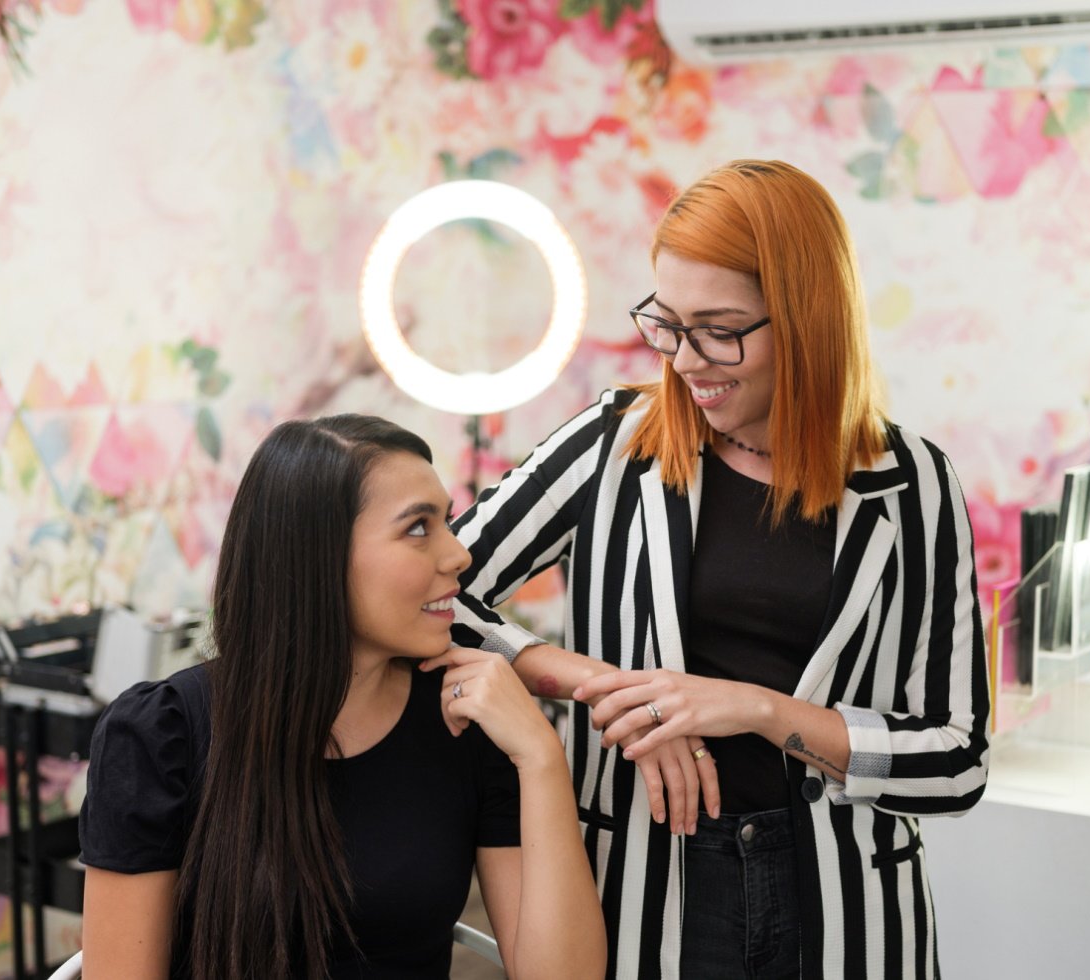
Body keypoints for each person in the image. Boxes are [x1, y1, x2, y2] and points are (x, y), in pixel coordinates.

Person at [438, 160, 988, 979]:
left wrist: (760, 711)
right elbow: (436, 593)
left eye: (720, 327)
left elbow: (955, 759)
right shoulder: (612, 444)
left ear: (806, 318)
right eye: (667, 322)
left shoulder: (915, 487)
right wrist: (609, 690)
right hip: (644, 885)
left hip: (841, 911)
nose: (686, 359)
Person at [78, 415, 605, 980]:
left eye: (446, 522)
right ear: (317, 557)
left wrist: (540, 755)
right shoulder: (162, 736)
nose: (459, 556)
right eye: (418, 528)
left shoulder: (466, 724)